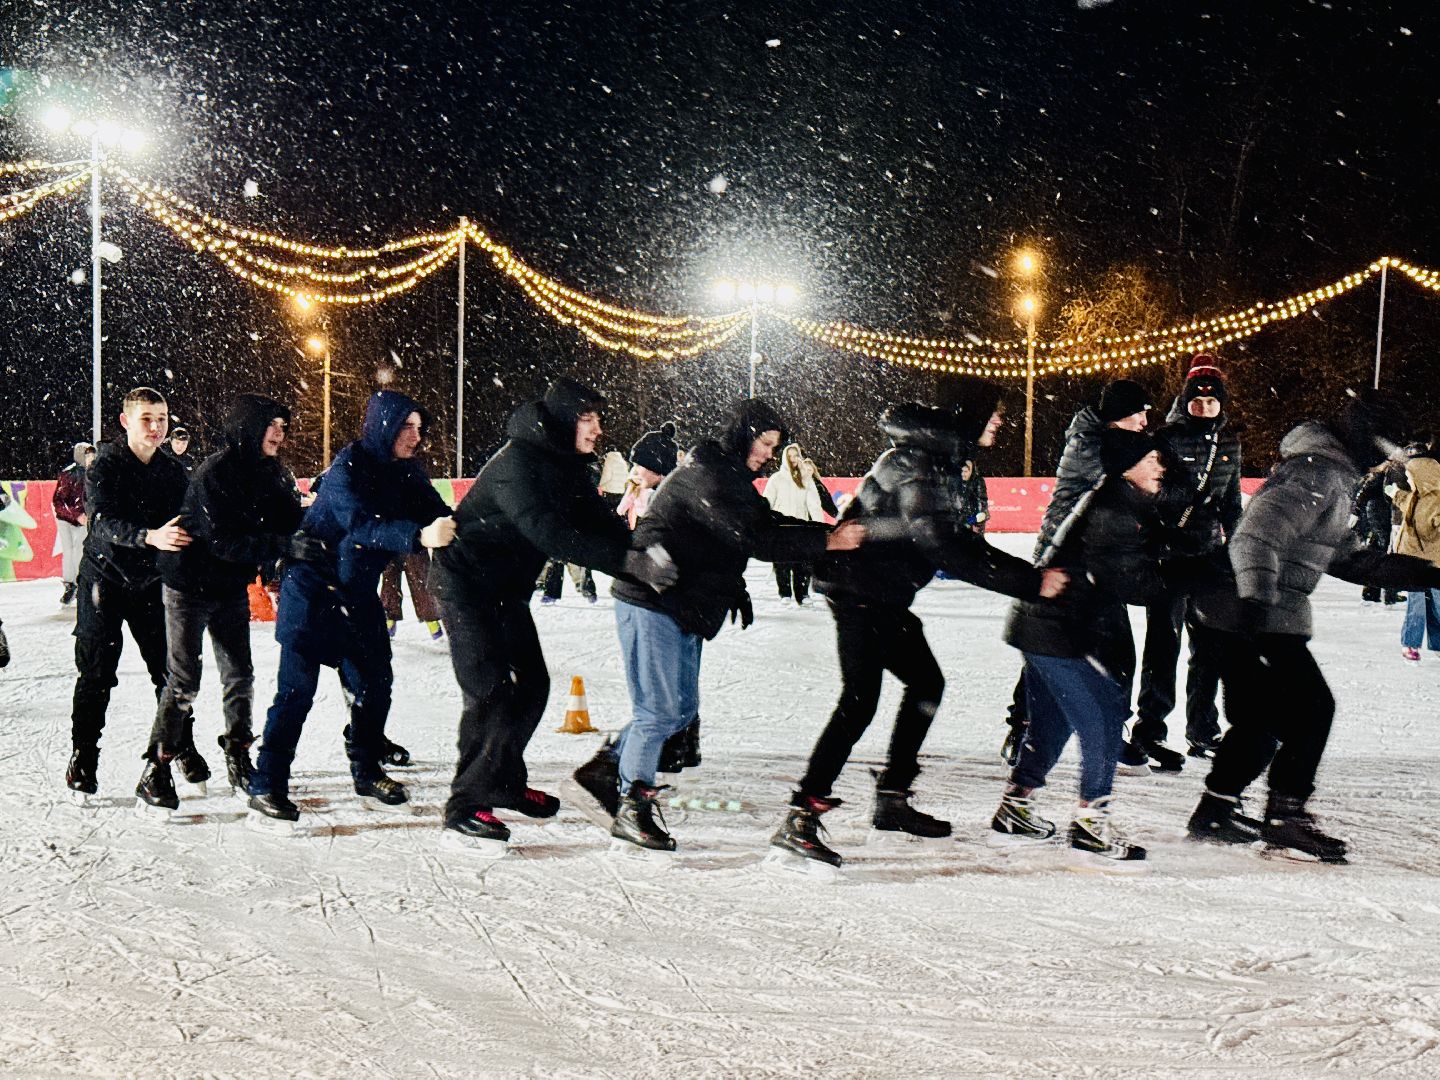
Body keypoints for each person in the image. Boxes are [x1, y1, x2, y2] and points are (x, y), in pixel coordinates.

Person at [771, 388, 1065, 871]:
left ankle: (892, 797)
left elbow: (946, 541)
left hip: (880, 593)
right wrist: (1031, 582)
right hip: (859, 592)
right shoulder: (917, 466)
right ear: (969, 422)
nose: (1000, 425)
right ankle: (802, 814)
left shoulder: (939, 461)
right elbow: (945, 546)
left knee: (925, 684)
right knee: (859, 702)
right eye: (994, 417)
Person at [570, 398, 862, 858]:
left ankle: (608, 769)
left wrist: (736, 584)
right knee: (659, 712)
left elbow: (754, 525)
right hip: (653, 597)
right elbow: (751, 537)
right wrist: (826, 540)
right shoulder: (707, 475)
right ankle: (631, 803)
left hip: (684, 602)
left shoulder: (729, 478)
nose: (769, 454)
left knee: (680, 710)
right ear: (744, 437)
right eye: (765, 444)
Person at [1185, 390, 1440, 861]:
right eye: (1391, 449)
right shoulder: (1314, 472)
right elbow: (1253, 537)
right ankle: (1285, 816)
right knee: (1311, 709)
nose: (1393, 461)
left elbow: (1340, 552)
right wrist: (1255, 607)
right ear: (1370, 439)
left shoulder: (1334, 474)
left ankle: (1216, 809)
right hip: (1241, 610)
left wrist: (1413, 572)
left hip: (1248, 610)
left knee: (1262, 720)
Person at [433, 377, 676, 850]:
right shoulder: (517, 463)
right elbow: (550, 535)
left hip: (505, 590)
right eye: (589, 419)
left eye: (598, 419)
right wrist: (629, 564)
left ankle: (502, 781)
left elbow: (597, 523)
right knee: (489, 693)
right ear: (565, 419)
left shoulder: (566, 464)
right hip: (466, 585)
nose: (598, 430)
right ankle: (464, 804)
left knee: (533, 685)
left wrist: (649, 549)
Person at [247, 390, 456, 830]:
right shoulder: (347, 469)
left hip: (357, 593)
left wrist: (476, 525)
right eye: (407, 427)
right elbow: (361, 525)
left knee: (375, 682)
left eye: (420, 428)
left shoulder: (407, 473)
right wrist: (419, 537)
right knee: (296, 692)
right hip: (312, 590)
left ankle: (366, 769)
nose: (416, 437)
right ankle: (268, 781)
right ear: (383, 426)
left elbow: (439, 513)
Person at [991, 428, 1184, 867]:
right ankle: (1091, 821)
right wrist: (1191, 574)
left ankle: (1016, 805)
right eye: (1151, 459)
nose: (1160, 467)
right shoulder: (1113, 509)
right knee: (1102, 715)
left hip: (1048, 626)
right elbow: (1133, 582)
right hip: (1054, 628)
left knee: (1053, 722)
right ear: (1127, 465)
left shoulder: (1120, 500)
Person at [134, 394, 312, 814]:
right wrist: (287, 544)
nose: (280, 434)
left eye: (284, 426)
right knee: (183, 681)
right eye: (273, 425)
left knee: (240, 676)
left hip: (229, 587)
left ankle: (238, 755)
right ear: (250, 427)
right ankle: (155, 769)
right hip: (188, 585)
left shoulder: (272, 472)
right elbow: (225, 540)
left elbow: (290, 518)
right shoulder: (214, 473)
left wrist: (323, 518)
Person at [1000, 378, 1152, 766]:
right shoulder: (1091, 445)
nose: (1144, 421)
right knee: (1050, 650)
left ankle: (1110, 727)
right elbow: (1124, 473)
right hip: (1064, 560)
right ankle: (1023, 725)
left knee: (1116, 652)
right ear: (1118, 416)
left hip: (1100, 563)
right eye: (1139, 413)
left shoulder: (1114, 442)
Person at [66, 388, 192, 803]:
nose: (156, 427)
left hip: (151, 583)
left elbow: (190, 519)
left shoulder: (173, 472)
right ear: (126, 422)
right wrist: (148, 536)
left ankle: (178, 748)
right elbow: (101, 522)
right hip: (104, 579)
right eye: (146, 419)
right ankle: (83, 757)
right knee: (97, 672)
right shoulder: (105, 464)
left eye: (162, 418)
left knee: (170, 674)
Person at [1129, 360, 1243, 767]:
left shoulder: (1229, 445)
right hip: (1170, 556)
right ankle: (1150, 730)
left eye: (1211, 400)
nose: (1204, 406)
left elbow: (1232, 503)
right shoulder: (1165, 439)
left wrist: (1238, 548)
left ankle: (1203, 730)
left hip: (1210, 557)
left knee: (1210, 646)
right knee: (1164, 644)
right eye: (1197, 399)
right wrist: (1167, 523)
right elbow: (1150, 493)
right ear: (1185, 400)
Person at [1389, 435, 1440, 661]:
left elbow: (1430, 523)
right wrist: (1394, 494)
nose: (1408, 481)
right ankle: (1420, 644)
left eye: (1410, 477)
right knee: (1423, 603)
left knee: (1428, 605)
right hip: (1417, 561)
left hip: (1429, 561)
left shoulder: (1434, 501)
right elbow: (1406, 502)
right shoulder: (1419, 496)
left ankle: (1420, 643)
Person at [764, 442, 826, 604]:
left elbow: (814, 504)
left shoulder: (806, 479)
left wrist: (818, 526)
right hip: (781, 527)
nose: (792, 459)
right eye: (789, 456)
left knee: (802, 563)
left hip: (801, 526)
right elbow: (767, 501)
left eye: (795, 455)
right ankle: (785, 594)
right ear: (785, 458)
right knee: (783, 564)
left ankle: (803, 595)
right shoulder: (776, 479)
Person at [53, 442, 96, 605]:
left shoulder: (94, 473)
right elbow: (59, 501)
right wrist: (76, 515)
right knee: (69, 551)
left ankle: (80, 583)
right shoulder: (68, 474)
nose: (90, 459)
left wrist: (88, 514)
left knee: (79, 551)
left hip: (84, 519)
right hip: (66, 519)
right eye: (87, 455)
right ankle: (69, 584)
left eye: (92, 455)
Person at [1353, 467, 1403, 605]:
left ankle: (1372, 590)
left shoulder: (1384, 470)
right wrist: (1356, 510)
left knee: (1377, 548)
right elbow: (1367, 489)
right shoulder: (1386, 470)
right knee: (1387, 549)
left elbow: (1365, 489)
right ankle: (1389, 592)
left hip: (1377, 510)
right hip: (1381, 511)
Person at [380, 551, 444, 638]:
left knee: (419, 577)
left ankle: (430, 618)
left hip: (413, 544)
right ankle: (389, 617)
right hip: (391, 544)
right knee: (389, 580)